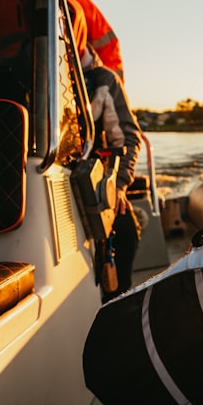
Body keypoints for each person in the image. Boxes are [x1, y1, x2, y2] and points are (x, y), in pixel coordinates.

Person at [80, 43, 142, 302]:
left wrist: (117, 185)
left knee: (127, 229)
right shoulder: (9, 70)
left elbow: (128, 137)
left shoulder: (104, 80)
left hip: (94, 180)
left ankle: (118, 302)